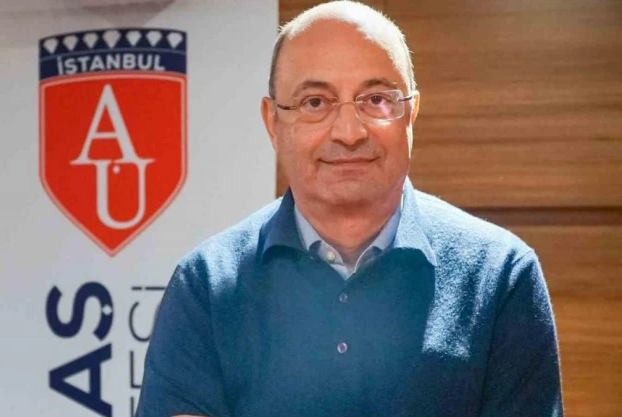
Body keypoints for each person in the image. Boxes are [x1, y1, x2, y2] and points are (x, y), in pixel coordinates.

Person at [137, 1, 564, 416]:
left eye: (376, 99)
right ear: (272, 122)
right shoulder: (205, 284)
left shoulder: (501, 276)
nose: (348, 132)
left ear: (411, 114)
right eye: (315, 102)